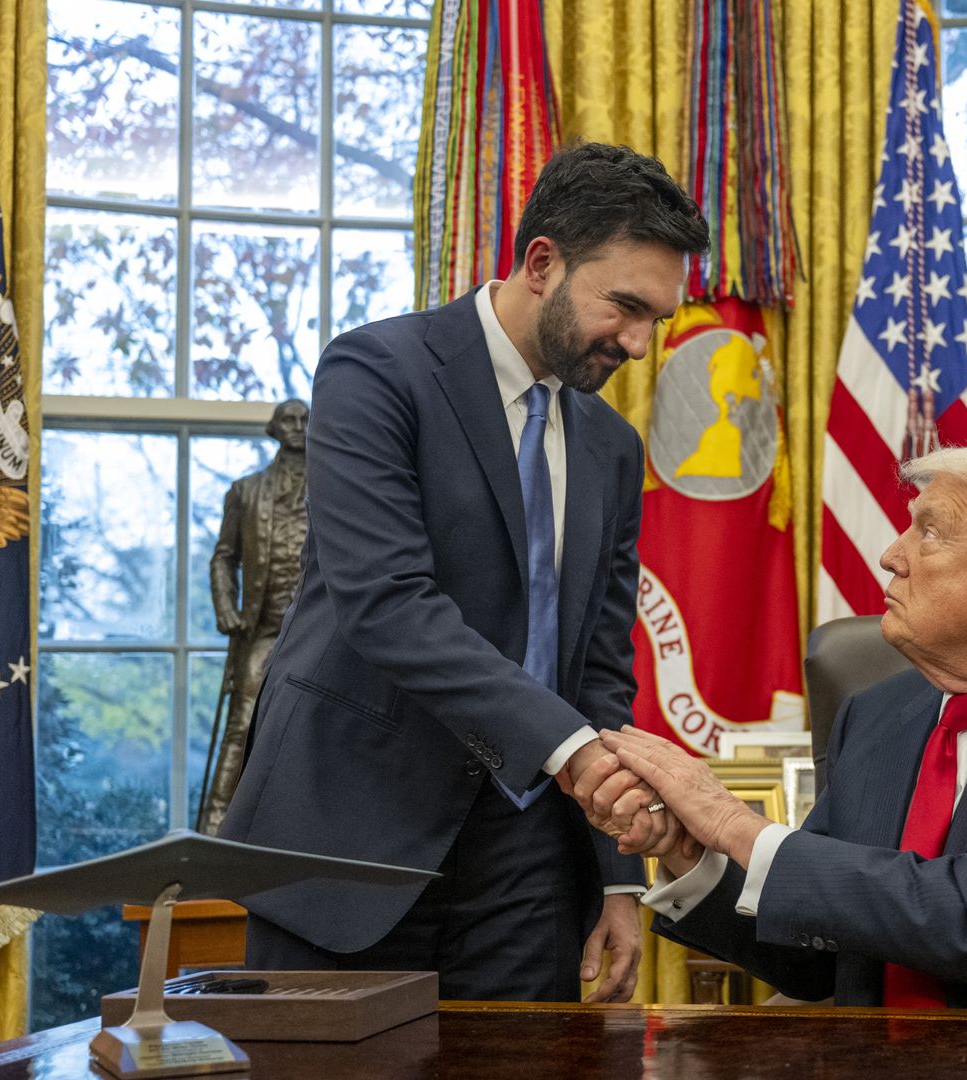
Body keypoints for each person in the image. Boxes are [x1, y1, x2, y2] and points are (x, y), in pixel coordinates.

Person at [217, 143, 708, 1002]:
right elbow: (388, 604)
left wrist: (616, 879)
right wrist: (575, 754)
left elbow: (598, 663)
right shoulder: (377, 372)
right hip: (349, 836)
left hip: (529, 862)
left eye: (654, 320)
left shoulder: (612, 448)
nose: (637, 343)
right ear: (542, 262)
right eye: (625, 306)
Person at [575, 446, 967, 1011]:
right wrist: (693, 853)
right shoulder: (879, 715)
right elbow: (817, 957)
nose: (890, 554)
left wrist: (735, 824)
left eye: (929, 534)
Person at [198, 399, 309, 835]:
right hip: (263, 631)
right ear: (274, 429)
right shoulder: (245, 492)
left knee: (317, 733)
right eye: (289, 420)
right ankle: (215, 832)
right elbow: (223, 557)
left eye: (305, 419)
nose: (298, 427)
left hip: (323, 634)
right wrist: (225, 608)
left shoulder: (337, 488)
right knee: (242, 725)